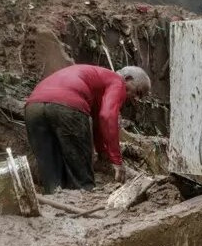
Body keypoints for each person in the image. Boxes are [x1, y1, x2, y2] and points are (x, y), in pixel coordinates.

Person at [24, 64, 151, 192]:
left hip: (33, 106)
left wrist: (102, 153)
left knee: (49, 168)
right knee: (81, 176)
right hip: (67, 105)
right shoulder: (117, 81)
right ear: (127, 78)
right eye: (138, 92)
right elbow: (107, 117)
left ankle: (55, 199)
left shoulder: (98, 83)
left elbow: (98, 123)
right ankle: (84, 197)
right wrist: (117, 161)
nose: (136, 99)